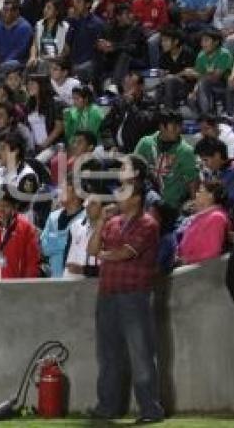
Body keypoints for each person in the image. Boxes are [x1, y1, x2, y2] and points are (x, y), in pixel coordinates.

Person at [87, 177, 165, 424]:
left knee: (141, 354)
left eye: (123, 190)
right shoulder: (112, 222)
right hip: (107, 294)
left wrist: (103, 254)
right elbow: (91, 249)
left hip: (135, 296)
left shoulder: (148, 224)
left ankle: (150, 410)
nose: (117, 195)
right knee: (107, 354)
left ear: (136, 198)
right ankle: (107, 407)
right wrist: (99, 222)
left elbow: (126, 253)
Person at [40, 177, 86, 278]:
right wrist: (65, 241)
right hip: (54, 280)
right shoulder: (53, 216)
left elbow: (76, 248)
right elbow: (44, 248)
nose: (59, 191)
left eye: (63, 188)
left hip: (76, 281)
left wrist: (54, 240)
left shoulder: (86, 218)